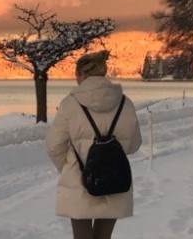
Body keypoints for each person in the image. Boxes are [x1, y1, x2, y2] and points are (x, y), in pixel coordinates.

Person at [46, 50, 142, 239]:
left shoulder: (70, 104)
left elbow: (53, 145)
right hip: (115, 177)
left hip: (79, 179)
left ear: (81, 74)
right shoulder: (125, 103)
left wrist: (67, 168)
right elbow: (134, 144)